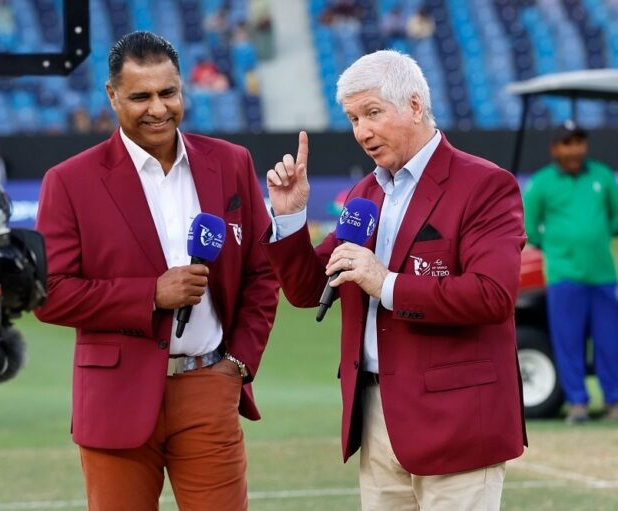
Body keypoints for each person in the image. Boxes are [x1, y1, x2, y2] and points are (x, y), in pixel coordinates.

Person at [261, 50, 526, 510]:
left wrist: (385, 283)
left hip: (458, 421)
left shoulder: (485, 185)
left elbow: (492, 295)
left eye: (372, 113)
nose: (361, 131)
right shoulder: (364, 194)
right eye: (353, 119)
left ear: (415, 106)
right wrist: (289, 216)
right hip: (375, 420)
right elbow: (307, 290)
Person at [34, 31, 279, 510]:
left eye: (168, 92)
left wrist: (238, 364)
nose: (158, 109)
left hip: (209, 387)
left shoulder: (231, 163)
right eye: (140, 96)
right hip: (115, 398)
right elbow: (50, 294)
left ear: (182, 87)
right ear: (112, 95)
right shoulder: (69, 181)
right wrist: (151, 294)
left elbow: (262, 274)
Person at [522, 121, 618, 424]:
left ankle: (613, 401)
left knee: (610, 341)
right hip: (563, 276)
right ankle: (577, 403)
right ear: (555, 149)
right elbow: (529, 228)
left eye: (579, 142)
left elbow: (614, 219)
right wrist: (558, 245)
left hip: (603, 275)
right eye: (567, 143)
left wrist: (593, 236)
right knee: (568, 341)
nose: (574, 149)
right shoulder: (542, 183)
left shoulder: (602, 176)